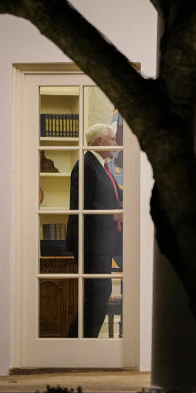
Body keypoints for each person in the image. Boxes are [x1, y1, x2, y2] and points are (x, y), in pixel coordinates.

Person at [66, 123, 123, 337]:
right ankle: (77, 343)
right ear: (99, 141)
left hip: (102, 243)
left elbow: (111, 196)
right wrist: (113, 214)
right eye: (112, 139)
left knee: (100, 293)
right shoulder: (85, 166)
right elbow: (82, 204)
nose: (116, 144)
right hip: (89, 243)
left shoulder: (102, 167)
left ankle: (81, 343)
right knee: (98, 294)